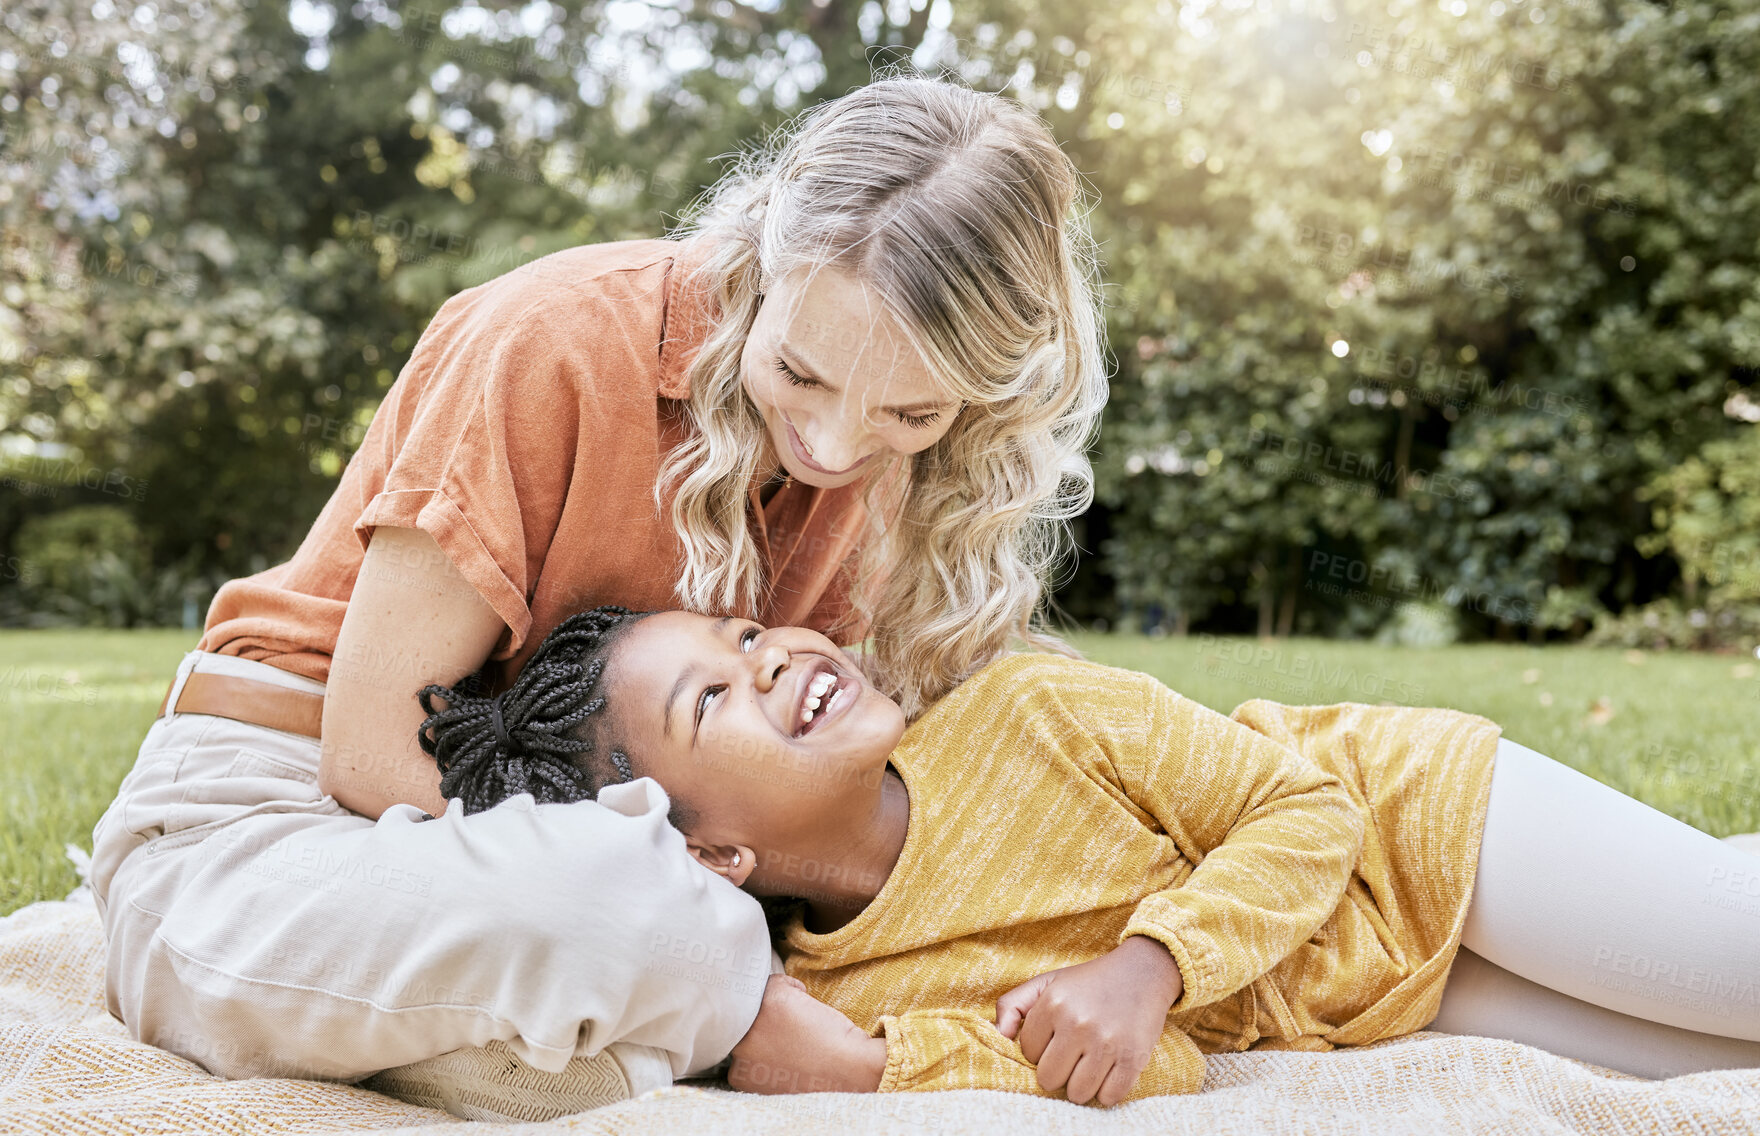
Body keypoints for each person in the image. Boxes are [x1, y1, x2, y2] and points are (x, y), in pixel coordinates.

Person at [86, 73, 1109, 1091]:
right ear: (767, 260)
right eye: (799, 374)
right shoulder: (555, 336)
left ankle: (622, 1029)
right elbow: (364, 754)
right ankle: (743, 1028)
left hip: (539, 880)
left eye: (911, 415)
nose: (835, 446)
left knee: (610, 1015)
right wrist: (700, 924)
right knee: (626, 914)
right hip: (276, 822)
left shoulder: (896, 457)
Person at [419, 605, 1760, 1107]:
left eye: (745, 634)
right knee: (1724, 1065)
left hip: (1417, 826)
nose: (777, 659)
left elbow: (1305, 815)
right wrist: (876, 1069)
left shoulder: (1021, 708)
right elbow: (1150, 1063)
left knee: (1732, 947)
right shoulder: (860, 993)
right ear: (709, 852)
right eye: (713, 698)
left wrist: (1148, 962)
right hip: (1361, 992)